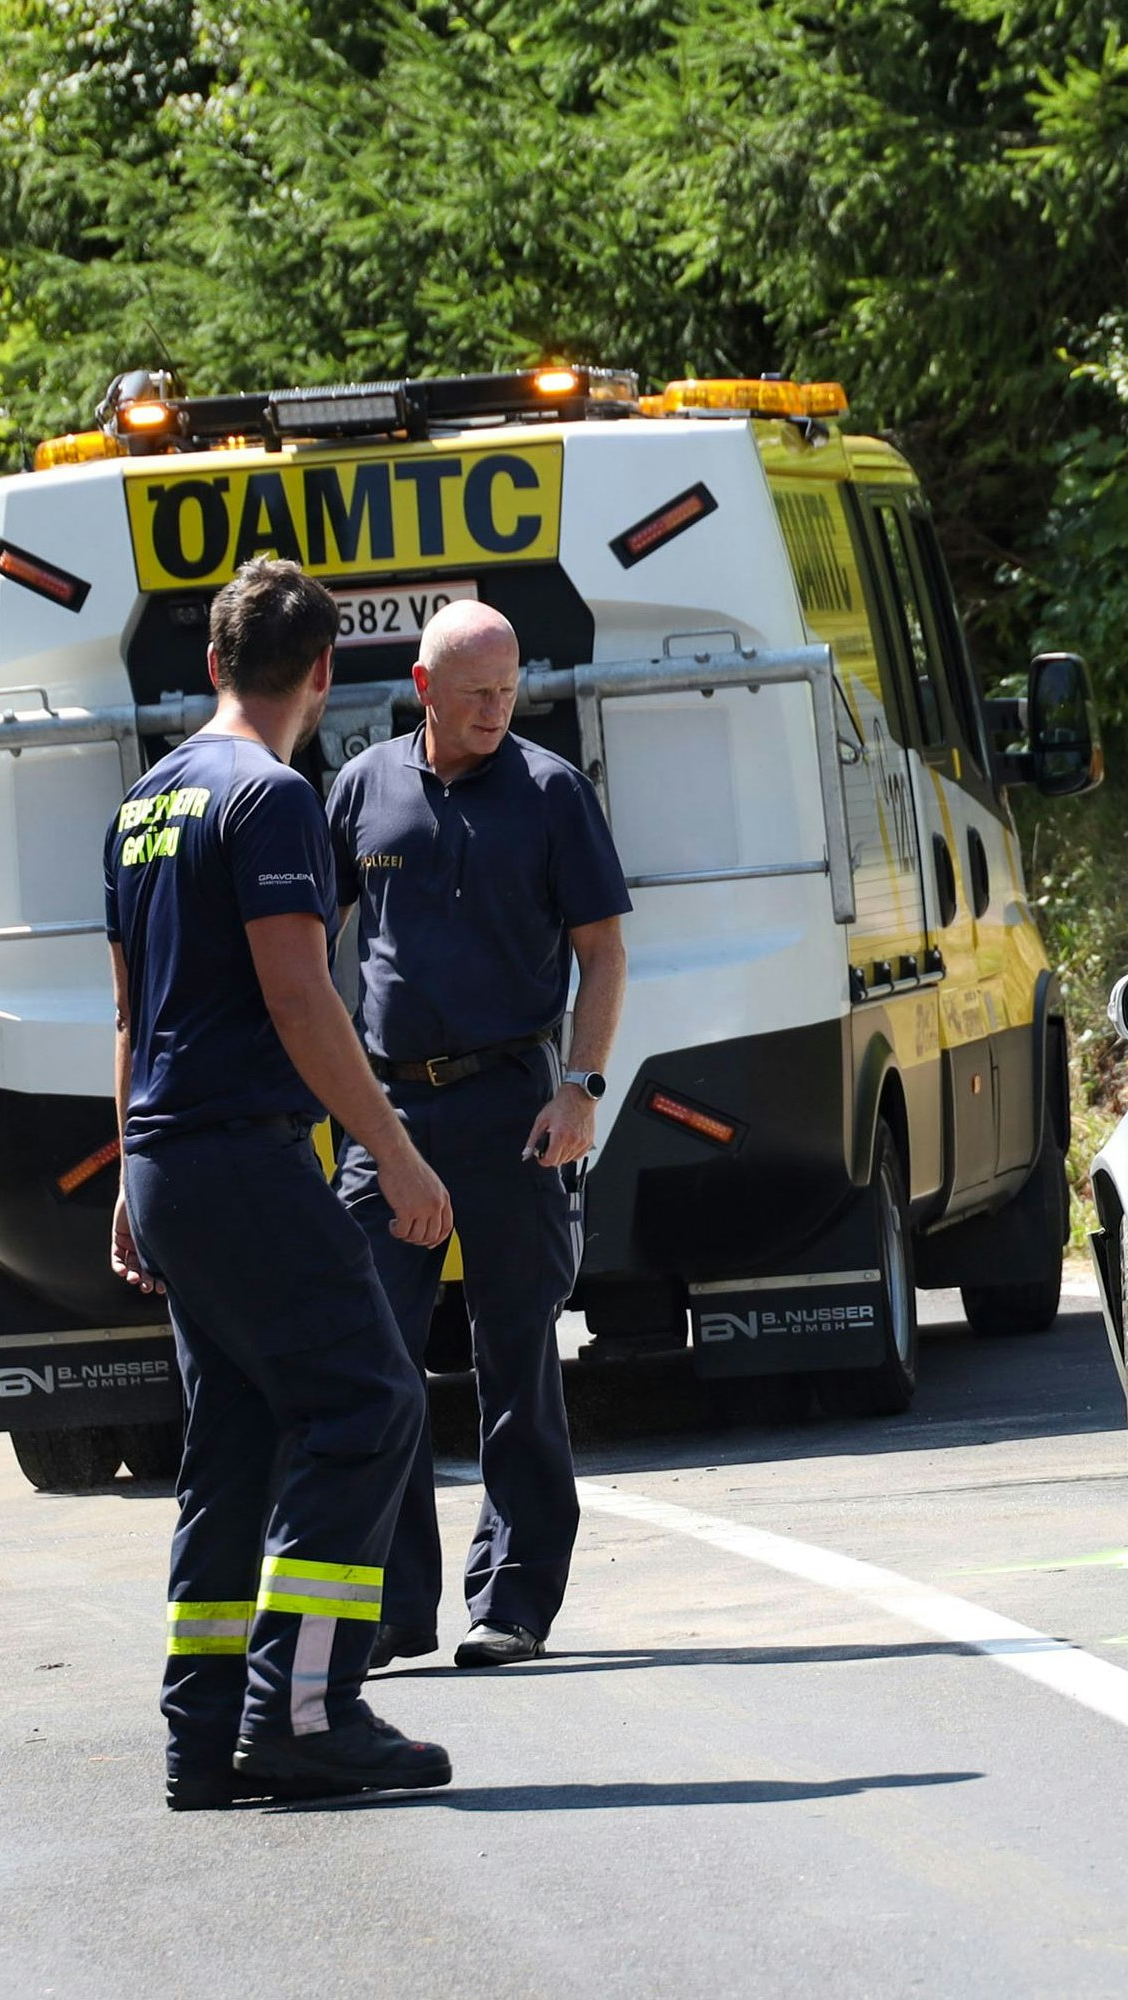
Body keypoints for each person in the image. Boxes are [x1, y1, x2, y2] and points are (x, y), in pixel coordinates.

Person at [109, 557, 461, 1810]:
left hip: (162, 1154)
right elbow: (300, 995)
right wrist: (400, 1150)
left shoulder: (144, 802)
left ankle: (204, 1733)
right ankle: (305, 1709)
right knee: (367, 1402)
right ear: (323, 672)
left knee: (240, 1435)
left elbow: (129, 1010)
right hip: (235, 1150)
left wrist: (125, 1174)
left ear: (212, 662)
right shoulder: (267, 800)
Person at [329, 598, 629, 1672]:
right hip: (390, 1112)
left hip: (513, 1105)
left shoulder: (553, 792)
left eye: (508, 691)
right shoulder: (363, 785)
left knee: (516, 1355)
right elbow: (311, 942)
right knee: (373, 1359)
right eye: (475, 695)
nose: (497, 710)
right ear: (424, 689)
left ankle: (513, 1601)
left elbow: (602, 950)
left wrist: (581, 1087)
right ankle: (393, 1607)